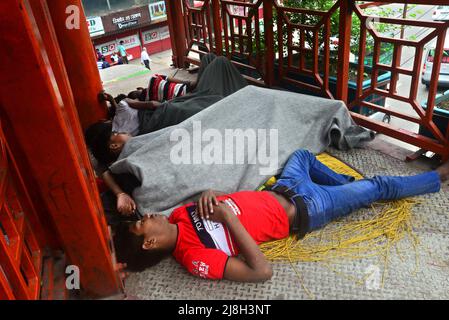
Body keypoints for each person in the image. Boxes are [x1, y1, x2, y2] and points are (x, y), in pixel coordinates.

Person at [114, 149, 449, 282]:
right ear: (150, 243)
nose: (151, 215)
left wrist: (208, 193)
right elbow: (261, 272)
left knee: (302, 154)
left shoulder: (180, 215)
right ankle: (438, 177)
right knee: (377, 187)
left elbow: (218, 197)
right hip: (308, 207)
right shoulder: (194, 257)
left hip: (284, 186)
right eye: (144, 223)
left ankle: (348, 187)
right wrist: (229, 220)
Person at [86, 54, 247, 218]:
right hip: (180, 117)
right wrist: (120, 194)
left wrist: (120, 193)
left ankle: (215, 96)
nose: (123, 132)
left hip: (174, 113)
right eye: (117, 133)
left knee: (213, 63)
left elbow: (105, 171)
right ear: (113, 145)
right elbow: (106, 171)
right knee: (217, 65)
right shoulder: (130, 154)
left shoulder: (133, 145)